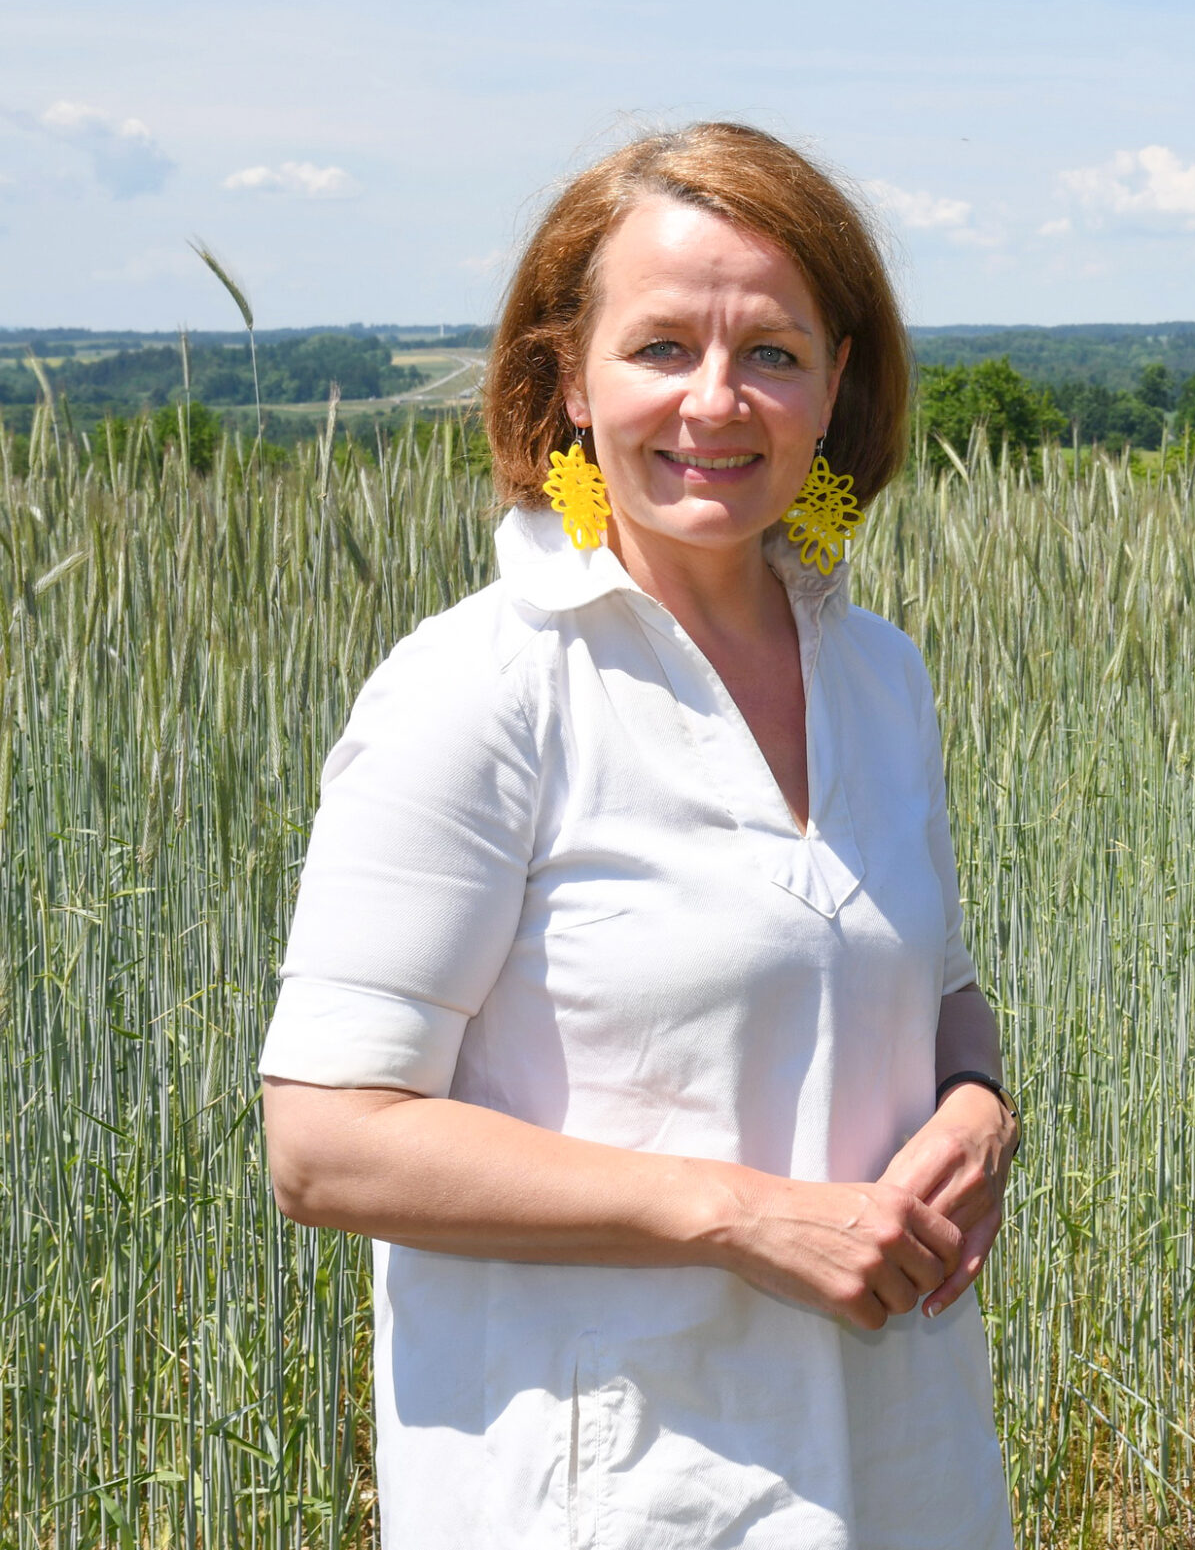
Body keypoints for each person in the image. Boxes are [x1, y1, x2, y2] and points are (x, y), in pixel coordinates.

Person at [259, 122, 1018, 1549]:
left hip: (899, 1470)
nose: (717, 402)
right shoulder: (483, 686)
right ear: (567, 380)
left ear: (838, 379)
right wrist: (736, 1212)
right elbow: (323, 1142)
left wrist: (982, 1109)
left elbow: (938, 996)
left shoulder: (879, 675)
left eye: (774, 351)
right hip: (618, 1492)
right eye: (663, 346)